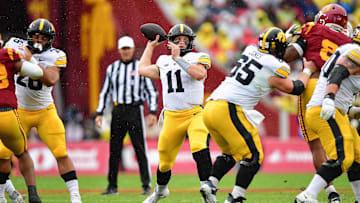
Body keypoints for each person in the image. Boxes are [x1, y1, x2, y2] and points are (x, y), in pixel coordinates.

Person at [199, 27, 316, 203]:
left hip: (211, 108)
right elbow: (297, 87)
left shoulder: (251, 50)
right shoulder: (274, 69)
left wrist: (289, 38)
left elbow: (270, 51)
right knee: (254, 156)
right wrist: (307, 70)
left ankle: (210, 184)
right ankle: (236, 197)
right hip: (228, 108)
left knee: (231, 154)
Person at [0, 18, 82, 203]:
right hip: (18, 110)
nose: (38, 40)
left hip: (45, 111)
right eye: (35, 36)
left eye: (43, 38)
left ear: (50, 40)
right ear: (28, 36)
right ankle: (9, 195)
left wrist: (31, 59)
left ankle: (75, 197)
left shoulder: (56, 55)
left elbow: (51, 79)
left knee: (61, 151)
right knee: (3, 154)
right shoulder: (14, 44)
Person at [284, 4, 352, 202]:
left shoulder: (312, 29)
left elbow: (289, 56)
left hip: (314, 86)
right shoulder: (347, 41)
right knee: (343, 143)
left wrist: (285, 42)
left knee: (316, 146)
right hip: (339, 91)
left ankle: (329, 192)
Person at [138, 24, 213, 203]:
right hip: (172, 116)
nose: (180, 43)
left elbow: (199, 74)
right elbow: (142, 69)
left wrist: (178, 59)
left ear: (190, 42)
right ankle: (160, 191)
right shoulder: (164, 61)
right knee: (164, 160)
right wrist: (150, 46)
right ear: (170, 42)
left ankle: (208, 190)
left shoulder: (198, 56)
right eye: (177, 40)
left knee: (198, 145)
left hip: (195, 113)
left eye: (184, 40)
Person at [295, 24, 360, 203]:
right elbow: (337, 74)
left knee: (358, 155)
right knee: (343, 157)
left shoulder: (349, 49)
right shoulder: (356, 52)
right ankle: (308, 195)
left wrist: (352, 111)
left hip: (334, 110)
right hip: (324, 109)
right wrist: (329, 99)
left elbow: (344, 86)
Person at [95, 35, 158, 195]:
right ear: (119, 50)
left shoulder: (141, 67)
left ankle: (145, 185)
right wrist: (100, 112)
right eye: (123, 49)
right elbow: (105, 92)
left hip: (134, 110)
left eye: (128, 48)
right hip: (118, 111)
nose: (126, 51)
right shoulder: (112, 68)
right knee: (114, 150)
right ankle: (112, 186)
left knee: (139, 148)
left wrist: (152, 111)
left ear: (132, 49)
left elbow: (151, 91)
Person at [0, 34, 43, 203]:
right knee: (22, 154)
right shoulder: (7, 56)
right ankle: (33, 195)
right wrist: (30, 58)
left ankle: (4, 196)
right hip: (6, 113)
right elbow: (38, 72)